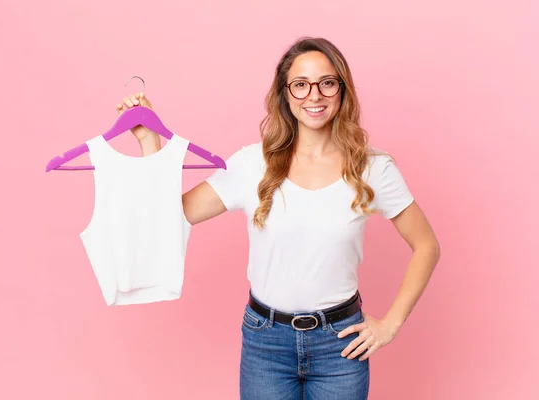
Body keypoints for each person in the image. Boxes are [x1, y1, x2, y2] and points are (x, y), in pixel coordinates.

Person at [115, 36, 440, 400]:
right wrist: (149, 144)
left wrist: (390, 325)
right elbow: (172, 216)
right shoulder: (251, 164)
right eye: (300, 85)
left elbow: (426, 245)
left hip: (341, 345)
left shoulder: (373, 167)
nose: (313, 96)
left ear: (342, 90)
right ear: (285, 94)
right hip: (266, 344)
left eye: (326, 83)